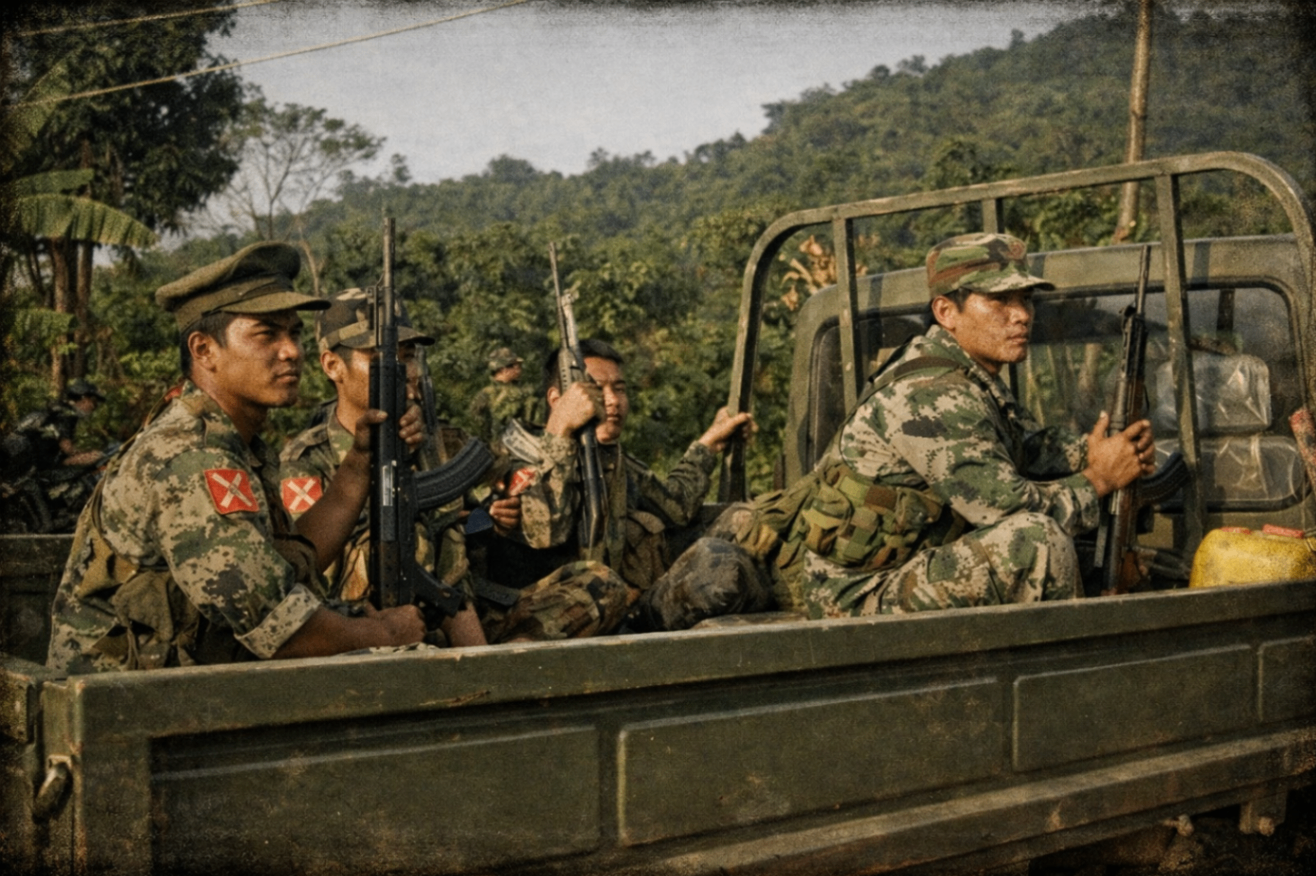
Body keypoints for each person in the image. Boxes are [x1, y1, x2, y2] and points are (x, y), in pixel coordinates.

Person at [47, 242, 427, 673]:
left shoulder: (232, 443)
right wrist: (385, 634)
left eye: (294, 334)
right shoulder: (191, 457)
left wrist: (360, 461)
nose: (291, 351)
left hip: (171, 684)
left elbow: (290, 566)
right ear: (204, 350)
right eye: (267, 334)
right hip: (120, 701)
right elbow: (281, 630)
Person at [787, 232, 1156, 618]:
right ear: (946, 311)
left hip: (907, 565)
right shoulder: (930, 393)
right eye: (999, 300)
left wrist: (1091, 451)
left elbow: (1023, 442)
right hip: (857, 597)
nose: (1022, 314)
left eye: (1025, 299)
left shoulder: (966, 373)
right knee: (1033, 541)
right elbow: (1011, 511)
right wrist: (1101, 479)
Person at [476, 338, 768, 638]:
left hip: (621, 610)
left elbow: (676, 507)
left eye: (619, 389)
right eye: (595, 389)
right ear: (558, 399)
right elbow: (547, 530)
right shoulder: (521, 461)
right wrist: (560, 429)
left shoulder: (608, 460)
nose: (612, 400)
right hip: (544, 620)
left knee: (745, 521)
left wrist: (710, 443)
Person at [279, 288, 486, 647]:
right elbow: (311, 576)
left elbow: (485, 519)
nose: (402, 370)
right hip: (360, 637)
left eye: (407, 356)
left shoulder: (436, 443)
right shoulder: (304, 462)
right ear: (332, 366)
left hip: (447, 626)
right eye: (378, 357)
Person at [16, 378, 107, 470]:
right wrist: (85, 455)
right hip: (42, 464)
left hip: (32, 459)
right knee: (97, 455)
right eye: (93, 402)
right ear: (83, 398)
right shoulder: (67, 414)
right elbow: (66, 446)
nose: (94, 406)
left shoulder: (56, 407)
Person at [468, 346, 543, 441]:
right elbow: (475, 420)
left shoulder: (524, 391)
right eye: (514, 366)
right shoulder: (487, 393)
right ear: (503, 369)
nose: (518, 369)